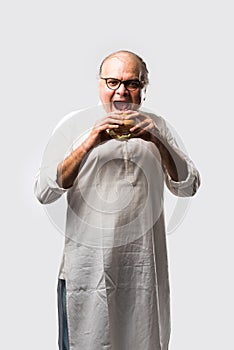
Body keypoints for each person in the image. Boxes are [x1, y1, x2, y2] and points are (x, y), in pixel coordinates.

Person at [34, 50, 200, 350]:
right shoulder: (74, 127)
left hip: (142, 274)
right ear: (99, 84)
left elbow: (187, 186)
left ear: (144, 87)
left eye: (132, 83)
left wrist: (157, 141)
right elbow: (45, 191)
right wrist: (90, 141)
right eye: (112, 82)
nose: (121, 91)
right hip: (87, 274)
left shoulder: (157, 127)